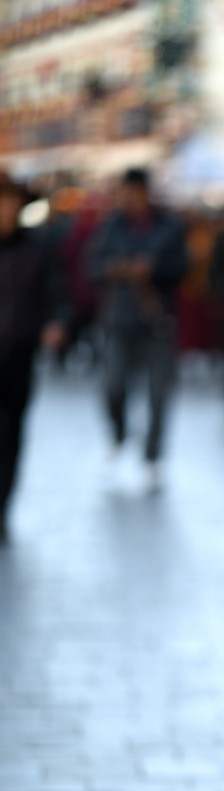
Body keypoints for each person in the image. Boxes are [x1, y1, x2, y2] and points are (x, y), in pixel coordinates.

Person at [87, 167, 187, 483]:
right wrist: (114, 269)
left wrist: (153, 270)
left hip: (157, 321)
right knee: (112, 385)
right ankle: (118, 433)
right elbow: (92, 267)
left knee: (159, 393)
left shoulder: (169, 227)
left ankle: (153, 455)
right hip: (120, 319)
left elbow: (183, 268)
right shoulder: (111, 227)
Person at [0, 173, 65, 542]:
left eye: (11, 202)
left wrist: (56, 322)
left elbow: (56, 294)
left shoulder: (36, 249)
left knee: (11, 432)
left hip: (19, 354)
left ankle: (3, 504)